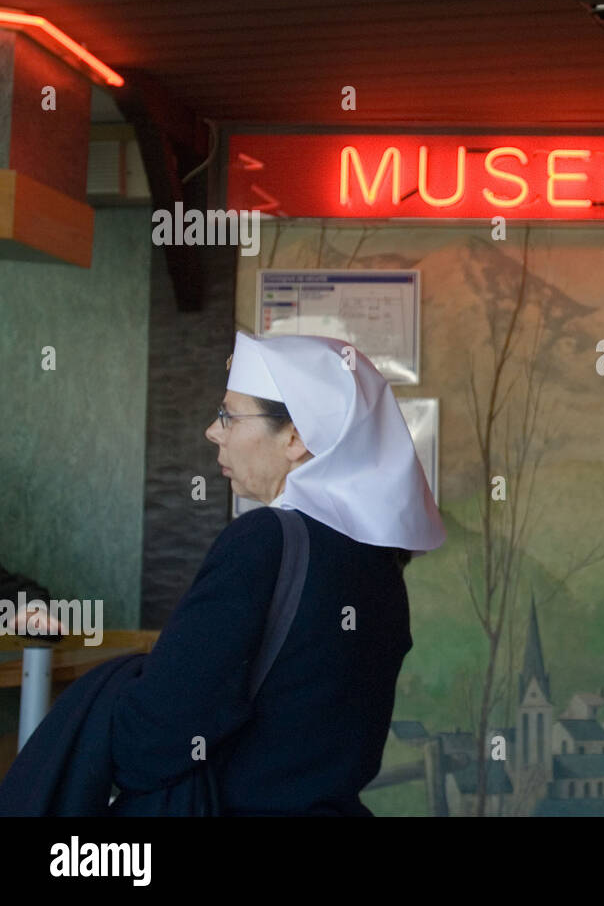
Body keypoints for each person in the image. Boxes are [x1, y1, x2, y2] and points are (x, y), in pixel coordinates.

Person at [0, 332, 445, 815]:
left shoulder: (265, 541)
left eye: (229, 415)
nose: (214, 431)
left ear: (295, 437)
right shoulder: (379, 563)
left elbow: (148, 740)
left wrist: (112, 689)